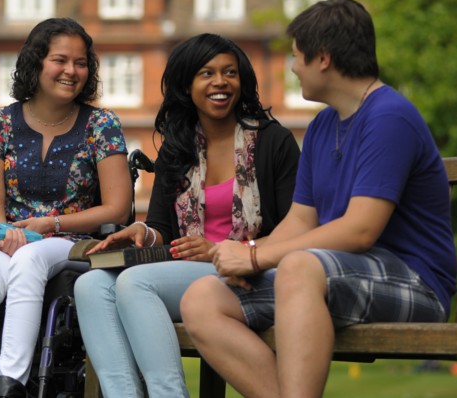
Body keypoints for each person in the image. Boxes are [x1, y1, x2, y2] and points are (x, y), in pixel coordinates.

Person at [180, 0, 457, 398]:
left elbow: (361, 230)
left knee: (298, 266)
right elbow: (300, 221)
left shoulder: (389, 117)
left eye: (297, 57)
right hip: (334, 274)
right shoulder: (323, 124)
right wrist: (242, 251)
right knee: (203, 297)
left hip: (415, 282)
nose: (293, 68)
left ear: (323, 59)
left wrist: (256, 257)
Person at [74, 33, 301, 398]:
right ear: (187, 85)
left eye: (230, 72)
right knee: (90, 284)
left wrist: (219, 249)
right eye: (206, 73)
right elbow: (164, 227)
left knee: (136, 284)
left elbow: (296, 230)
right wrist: (140, 234)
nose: (220, 82)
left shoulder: (274, 142)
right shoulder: (178, 147)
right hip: (189, 269)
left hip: (250, 269)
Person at [0, 18, 131, 398]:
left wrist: (49, 224)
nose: (72, 71)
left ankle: (11, 383)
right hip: (1, 238)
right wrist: (7, 236)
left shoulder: (102, 125)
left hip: (70, 240)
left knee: (28, 259)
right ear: (36, 63)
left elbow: (117, 207)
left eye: (81, 62)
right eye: (60, 60)